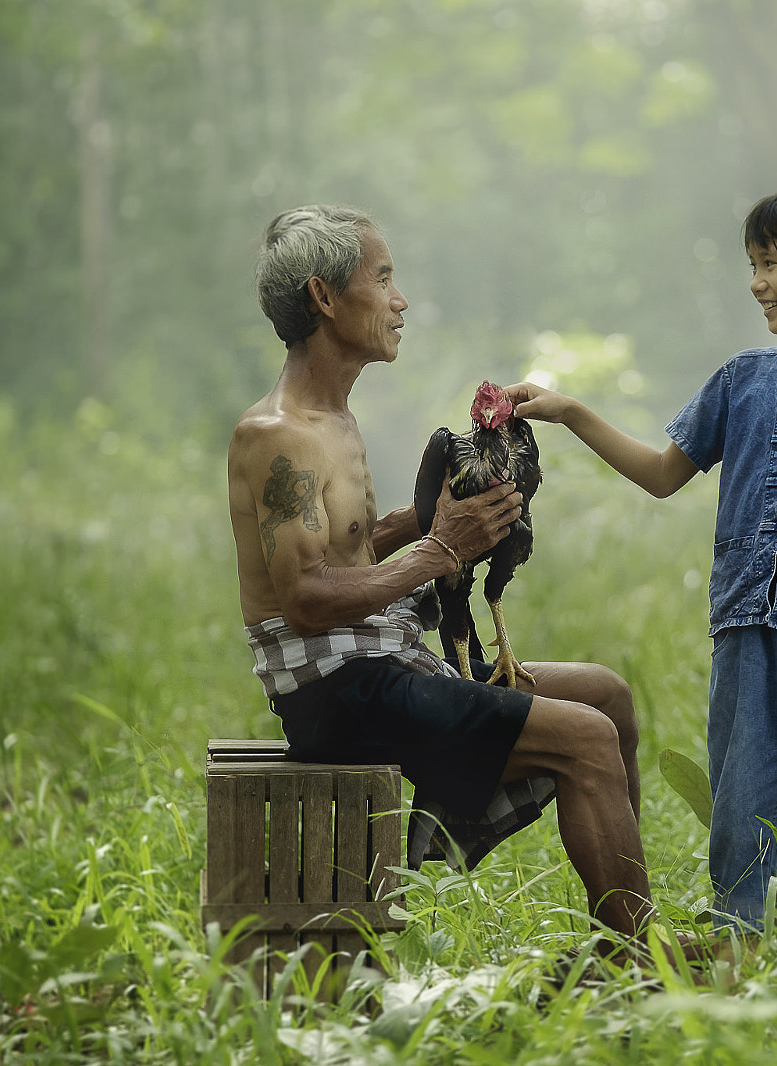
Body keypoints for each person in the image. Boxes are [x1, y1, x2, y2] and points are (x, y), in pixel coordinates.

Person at [507, 182, 777, 947]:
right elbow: (661, 473)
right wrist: (572, 411)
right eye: (752, 263)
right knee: (741, 815)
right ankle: (736, 973)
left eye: (770, 262)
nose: (756, 281)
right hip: (748, 628)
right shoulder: (741, 382)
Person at [227, 203, 662, 947]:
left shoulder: (332, 417)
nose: (400, 301)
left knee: (606, 697)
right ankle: (643, 958)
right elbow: (303, 599)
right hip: (339, 692)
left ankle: (611, 945)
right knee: (585, 738)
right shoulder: (279, 435)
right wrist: (439, 551)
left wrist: (428, 521)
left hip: (383, 661)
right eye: (384, 279)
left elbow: (341, 550)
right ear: (324, 298)